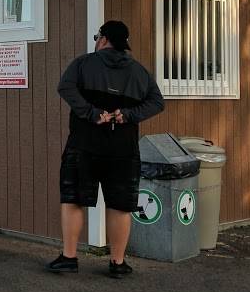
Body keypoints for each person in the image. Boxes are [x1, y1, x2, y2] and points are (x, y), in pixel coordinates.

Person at [49, 20, 165, 278]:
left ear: (102, 39)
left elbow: (64, 87)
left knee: (73, 199)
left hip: (83, 144)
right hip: (123, 149)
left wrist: (92, 113)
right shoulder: (139, 72)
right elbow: (158, 102)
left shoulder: (83, 63)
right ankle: (118, 263)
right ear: (124, 43)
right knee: (121, 205)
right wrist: (128, 115)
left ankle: (69, 257)